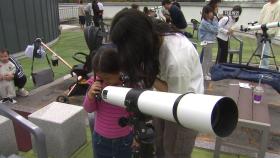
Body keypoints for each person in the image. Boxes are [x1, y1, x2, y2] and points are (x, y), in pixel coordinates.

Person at [110, 9, 204, 158]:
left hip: (185, 109)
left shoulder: (177, 59)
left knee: (174, 151)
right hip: (163, 101)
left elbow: (175, 98)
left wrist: (144, 73)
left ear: (141, 43)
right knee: (159, 145)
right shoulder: (152, 34)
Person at [83, 46, 134, 158]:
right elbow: (89, 109)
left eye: (108, 77)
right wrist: (90, 96)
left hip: (124, 139)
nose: (105, 81)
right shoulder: (96, 83)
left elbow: (134, 113)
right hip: (101, 140)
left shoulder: (129, 85)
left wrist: (136, 136)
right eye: (101, 77)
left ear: (119, 70)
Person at [256, 0, 280, 69]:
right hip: (260, 31)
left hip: (269, 33)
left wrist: (270, 33)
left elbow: (277, 20)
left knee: (265, 51)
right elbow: (260, 19)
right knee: (259, 51)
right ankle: (261, 66)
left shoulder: (279, 5)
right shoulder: (265, 6)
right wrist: (257, 30)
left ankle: (264, 68)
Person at [199, 5, 218, 80]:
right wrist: (215, 20)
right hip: (206, 41)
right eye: (210, 12)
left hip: (209, 41)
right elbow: (215, 30)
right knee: (206, 58)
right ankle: (204, 75)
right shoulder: (204, 22)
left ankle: (206, 72)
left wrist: (214, 21)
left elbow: (215, 29)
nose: (212, 14)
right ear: (206, 13)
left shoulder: (208, 21)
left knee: (209, 58)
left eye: (212, 12)